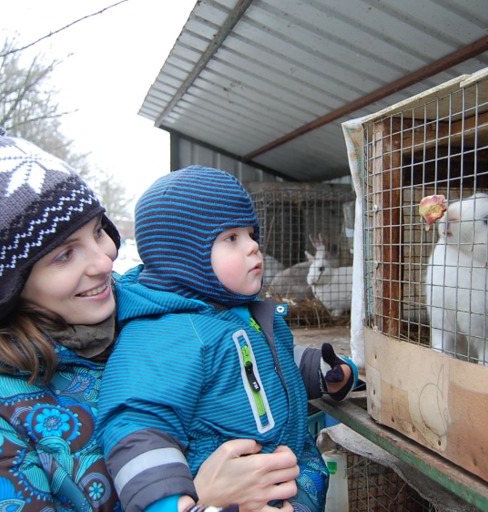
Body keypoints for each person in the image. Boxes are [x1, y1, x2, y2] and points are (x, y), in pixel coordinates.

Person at [0, 112, 304, 512]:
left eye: (98, 232)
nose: (105, 261)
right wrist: (205, 501)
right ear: (11, 286)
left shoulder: (163, 311)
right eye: (65, 254)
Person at [98, 166, 359, 512]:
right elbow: (138, 424)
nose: (253, 247)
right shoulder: (166, 334)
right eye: (231, 238)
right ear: (184, 255)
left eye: (251, 233)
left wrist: (320, 371)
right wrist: (168, 504)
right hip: (236, 500)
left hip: (283, 483)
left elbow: (267, 361)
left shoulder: (239, 313)